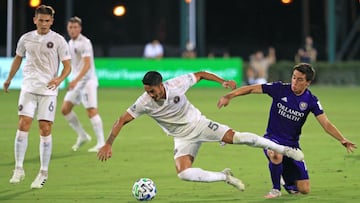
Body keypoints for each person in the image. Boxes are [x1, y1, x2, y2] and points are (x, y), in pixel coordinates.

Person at [97, 70, 305, 191]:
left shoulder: (176, 84)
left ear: (161, 86)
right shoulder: (144, 102)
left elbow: (201, 74)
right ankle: (225, 177)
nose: (150, 95)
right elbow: (121, 120)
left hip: (199, 124)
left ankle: (285, 150)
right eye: (147, 91)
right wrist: (108, 143)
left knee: (239, 138)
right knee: (184, 174)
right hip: (181, 138)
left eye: (152, 90)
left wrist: (222, 81)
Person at [217, 63, 357, 198]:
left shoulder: (311, 100)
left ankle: (285, 180)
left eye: (299, 79)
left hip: (292, 146)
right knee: (276, 154)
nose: (294, 82)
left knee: (304, 190)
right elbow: (251, 89)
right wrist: (229, 96)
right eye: (293, 77)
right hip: (271, 139)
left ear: (307, 83)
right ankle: (275, 189)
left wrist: (342, 139)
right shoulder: (280, 89)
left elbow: (326, 123)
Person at [3, 5, 71, 189]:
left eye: (47, 21)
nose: (43, 24)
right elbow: (18, 58)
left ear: (52, 22)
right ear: (35, 20)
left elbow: (67, 66)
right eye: (40, 20)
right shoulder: (26, 39)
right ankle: (18, 168)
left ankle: (43, 172)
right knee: (23, 124)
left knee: (45, 128)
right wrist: (9, 78)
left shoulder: (58, 40)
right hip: (28, 88)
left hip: (48, 91)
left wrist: (59, 79)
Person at [61, 16, 105, 152]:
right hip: (77, 82)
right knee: (65, 109)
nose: (72, 30)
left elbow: (87, 65)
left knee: (91, 110)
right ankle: (82, 135)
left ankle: (101, 143)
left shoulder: (85, 43)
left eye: (75, 27)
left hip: (87, 82)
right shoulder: (70, 43)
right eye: (70, 27)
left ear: (80, 28)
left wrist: (75, 80)